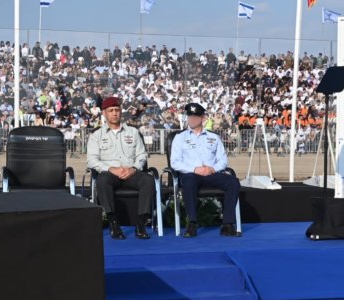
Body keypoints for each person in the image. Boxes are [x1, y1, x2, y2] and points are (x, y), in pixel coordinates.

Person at [170, 102, 241, 238]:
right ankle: (192, 223)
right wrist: (195, 169)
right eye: (189, 116)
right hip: (191, 174)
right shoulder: (180, 138)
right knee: (189, 182)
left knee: (233, 181)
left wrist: (213, 168)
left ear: (203, 118)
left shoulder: (213, 138)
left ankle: (227, 224)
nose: (191, 119)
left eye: (195, 117)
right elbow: (175, 162)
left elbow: (223, 160)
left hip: (211, 173)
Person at [87, 97, 154, 240]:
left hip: (131, 172)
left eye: (117, 110)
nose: (114, 113)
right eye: (110, 111)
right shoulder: (96, 135)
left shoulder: (133, 132)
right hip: (110, 173)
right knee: (102, 180)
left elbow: (142, 155)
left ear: (121, 112)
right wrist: (111, 169)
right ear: (104, 113)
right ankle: (114, 223)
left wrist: (134, 168)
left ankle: (141, 224)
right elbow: (92, 160)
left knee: (148, 180)